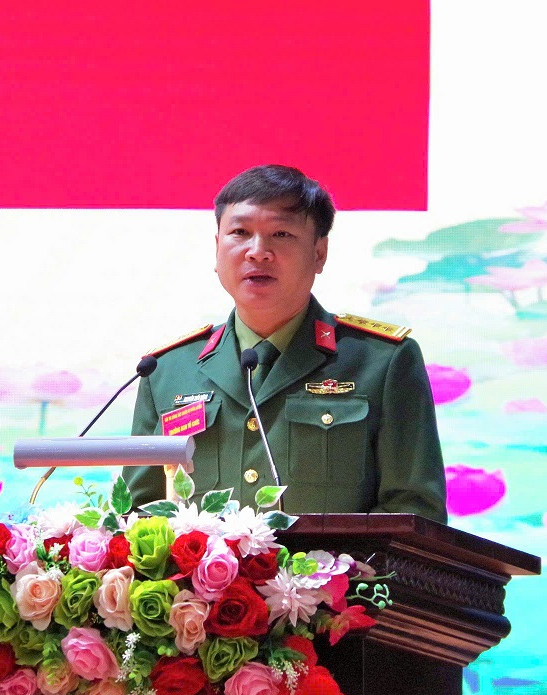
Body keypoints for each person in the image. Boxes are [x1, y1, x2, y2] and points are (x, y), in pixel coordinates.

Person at [123, 165, 446, 520]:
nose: (257, 252)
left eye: (281, 234)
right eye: (240, 232)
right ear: (217, 249)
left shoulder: (382, 361)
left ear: (319, 253)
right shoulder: (165, 370)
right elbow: (137, 514)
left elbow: (414, 510)